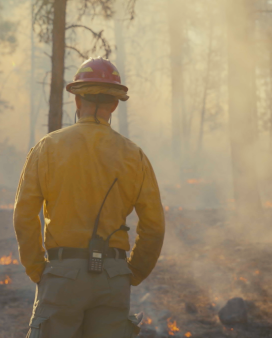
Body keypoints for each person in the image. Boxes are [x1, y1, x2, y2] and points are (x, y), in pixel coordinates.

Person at [14, 57, 165, 338]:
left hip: (61, 277)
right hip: (113, 279)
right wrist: (131, 272)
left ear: (77, 101)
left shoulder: (47, 148)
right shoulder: (134, 156)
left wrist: (38, 269)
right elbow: (154, 226)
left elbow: (24, 216)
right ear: (115, 104)